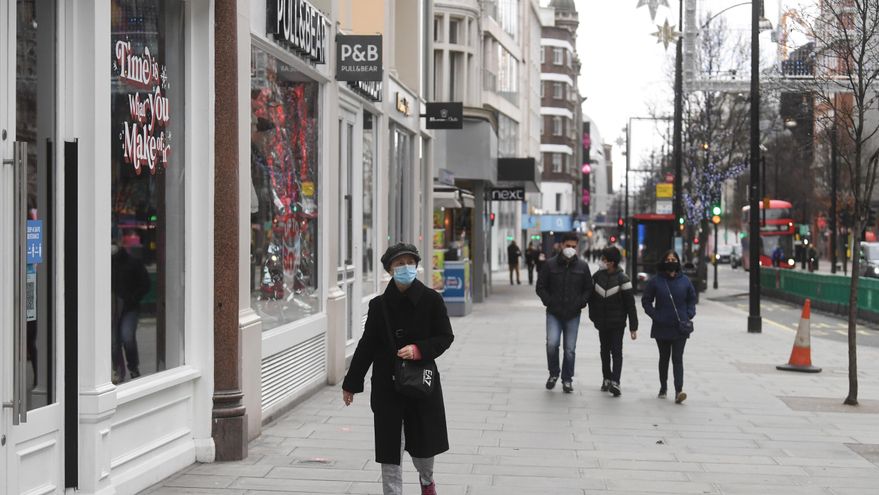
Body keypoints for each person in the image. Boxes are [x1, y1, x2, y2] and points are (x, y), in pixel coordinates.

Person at [342, 243, 454, 495]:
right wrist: (351, 383)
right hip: (386, 385)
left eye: (409, 262)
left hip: (421, 383)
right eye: (399, 264)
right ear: (389, 270)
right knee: (390, 447)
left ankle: (427, 481)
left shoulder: (431, 300)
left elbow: (445, 337)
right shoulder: (378, 305)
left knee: (423, 444)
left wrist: (419, 350)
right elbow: (367, 345)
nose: (406, 268)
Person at [536, 233, 593, 393]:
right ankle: (553, 374)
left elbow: (588, 288)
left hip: (573, 313)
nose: (570, 249)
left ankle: (567, 379)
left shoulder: (582, 266)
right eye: (568, 246)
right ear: (561, 246)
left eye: (574, 247)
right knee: (552, 344)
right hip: (554, 312)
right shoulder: (550, 265)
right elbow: (540, 286)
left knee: (570, 349)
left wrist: (581, 302)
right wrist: (549, 301)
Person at [641, 250, 696, 404]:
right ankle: (663, 387)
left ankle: (679, 390)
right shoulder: (656, 281)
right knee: (664, 358)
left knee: (677, 358)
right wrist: (656, 315)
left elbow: (692, 298)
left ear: (678, 262)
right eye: (668, 259)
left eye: (674, 259)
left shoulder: (685, 281)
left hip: (680, 327)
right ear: (663, 262)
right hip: (662, 326)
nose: (671, 261)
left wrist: (689, 313)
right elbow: (646, 301)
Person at [588, 247, 638, 397]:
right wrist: (593, 316)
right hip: (602, 322)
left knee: (616, 351)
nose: (601, 262)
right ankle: (606, 378)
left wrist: (633, 327)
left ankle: (616, 382)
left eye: (604, 259)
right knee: (604, 351)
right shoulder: (597, 277)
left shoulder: (623, 279)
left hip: (617, 323)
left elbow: (630, 305)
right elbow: (591, 298)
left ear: (611, 262)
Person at [111, 241, 151, 384]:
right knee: (113, 342)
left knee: (127, 337)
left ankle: (133, 368)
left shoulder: (132, 263)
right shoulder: (106, 264)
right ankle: (116, 370)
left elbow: (145, 284)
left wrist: (133, 298)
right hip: (112, 309)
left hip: (129, 308)